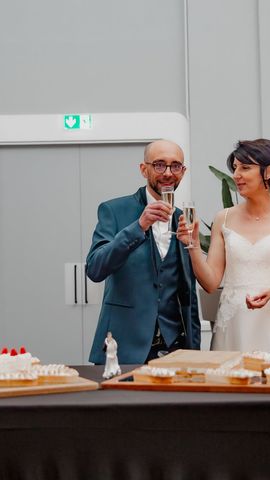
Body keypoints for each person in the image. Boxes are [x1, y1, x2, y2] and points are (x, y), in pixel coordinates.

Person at [177, 139, 270, 351]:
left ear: (268, 172)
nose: (236, 175)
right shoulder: (223, 218)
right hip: (232, 326)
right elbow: (210, 283)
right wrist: (194, 246)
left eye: (245, 168)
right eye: (235, 168)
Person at [86, 139, 201, 365]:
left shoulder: (184, 217)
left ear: (183, 172)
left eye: (175, 166)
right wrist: (138, 226)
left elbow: (189, 293)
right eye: (159, 165)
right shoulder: (114, 210)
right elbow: (95, 269)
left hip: (175, 348)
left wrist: (194, 350)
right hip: (124, 347)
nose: (168, 173)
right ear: (143, 169)